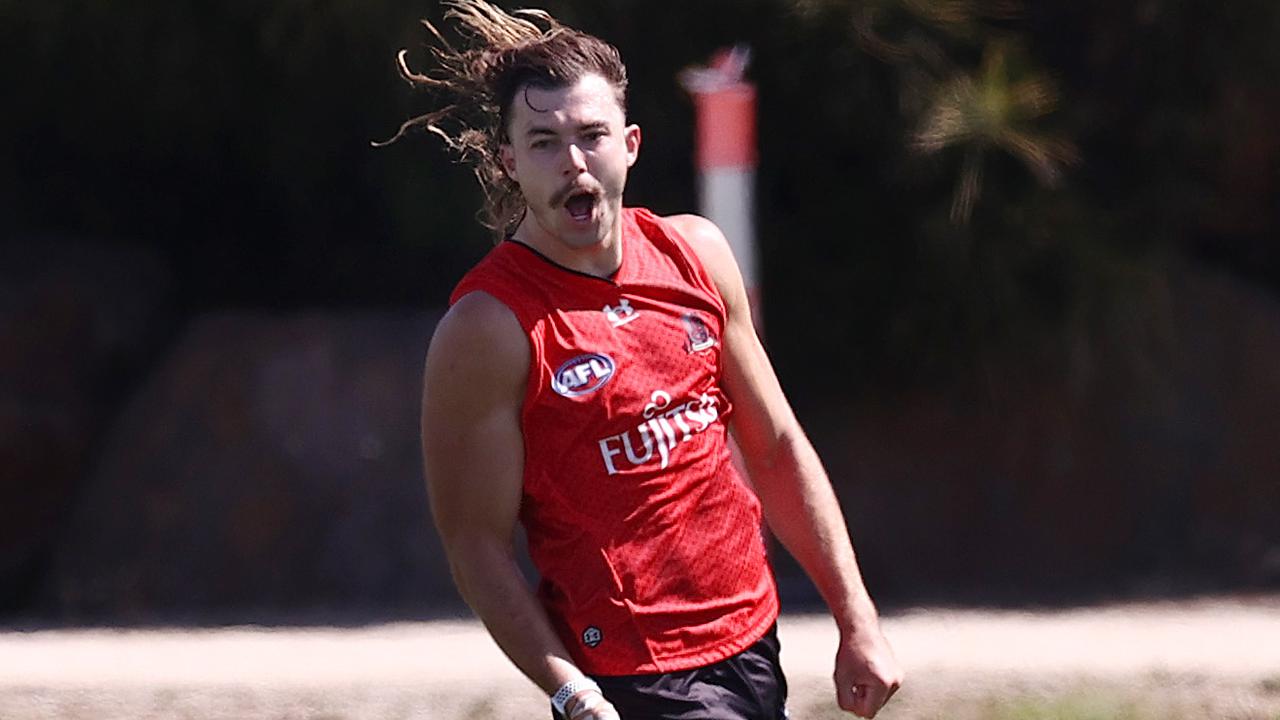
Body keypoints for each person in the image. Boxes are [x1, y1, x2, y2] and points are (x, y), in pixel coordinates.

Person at [383, 2, 903, 718]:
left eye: (591, 136)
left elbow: (777, 448)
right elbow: (475, 542)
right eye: (543, 142)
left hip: (750, 640)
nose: (572, 161)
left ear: (629, 144)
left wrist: (857, 618)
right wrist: (570, 692)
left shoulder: (697, 255)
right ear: (508, 161)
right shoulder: (490, 326)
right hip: (628, 677)